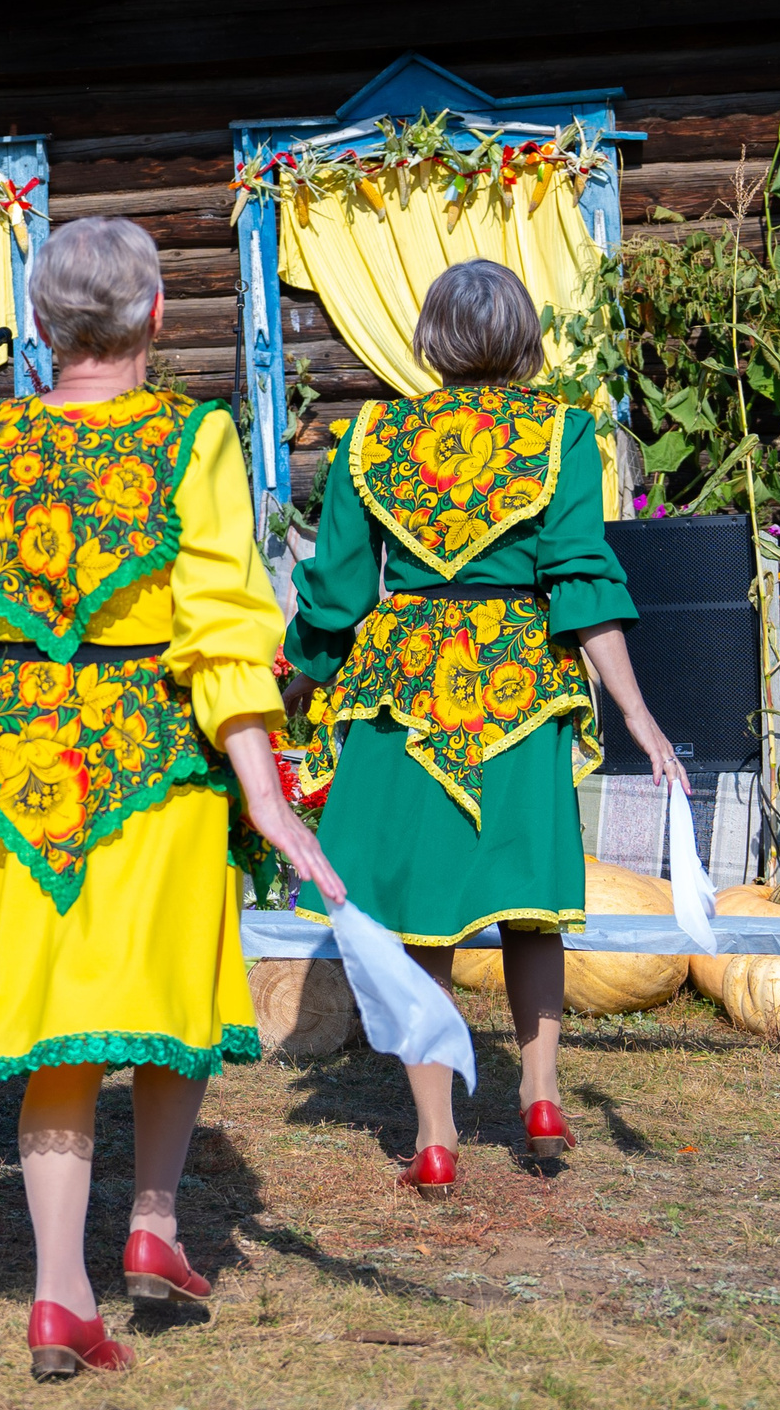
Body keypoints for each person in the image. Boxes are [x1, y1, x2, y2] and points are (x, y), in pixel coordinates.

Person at [0, 217, 340, 1378]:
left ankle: (60, 1291)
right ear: (155, 318)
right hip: (149, 767)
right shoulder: (191, 439)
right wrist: (266, 791)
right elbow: (221, 625)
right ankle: (153, 1220)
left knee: (57, 1027)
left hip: (8, 766)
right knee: (164, 994)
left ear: (46, 329)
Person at [283, 257, 683, 1200]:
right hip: (518, 683)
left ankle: (434, 1136)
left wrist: (294, 680)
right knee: (530, 902)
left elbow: (337, 591)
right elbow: (582, 581)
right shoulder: (559, 433)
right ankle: (540, 1101)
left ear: (430, 338)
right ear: (524, 341)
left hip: (405, 686)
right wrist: (637, 713)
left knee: (419, 915)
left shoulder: (372, 435)